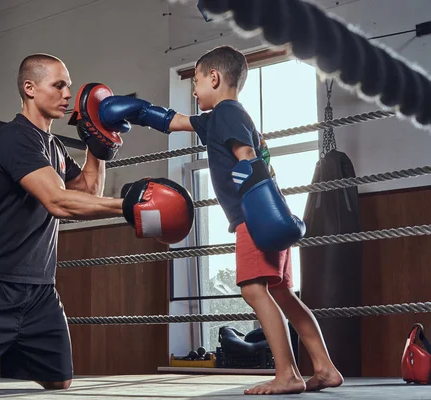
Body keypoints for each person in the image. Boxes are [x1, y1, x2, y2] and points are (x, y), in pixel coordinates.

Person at [0, 54, 194, 391]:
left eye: (69, 86)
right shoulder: (14, 137)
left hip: (39, 288)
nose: (67, 94)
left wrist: (99, 145)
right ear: (30, 88)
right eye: (58, 85)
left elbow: (86, 191)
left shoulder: (53, 146)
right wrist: (130, 206)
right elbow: (58, 202)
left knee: (59, 381)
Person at [98, 45, 344, 395]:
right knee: (284, 295)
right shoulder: (223, 117)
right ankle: (324, 367)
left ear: (214, 78)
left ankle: (287, 373)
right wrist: (137, 111)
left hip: (254, 218)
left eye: (196, 81)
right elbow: (173, 121)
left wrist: (255, 204)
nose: (194, 90)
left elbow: (247, 158)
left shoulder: (227, 113)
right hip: (268, 214)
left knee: (253, 290)